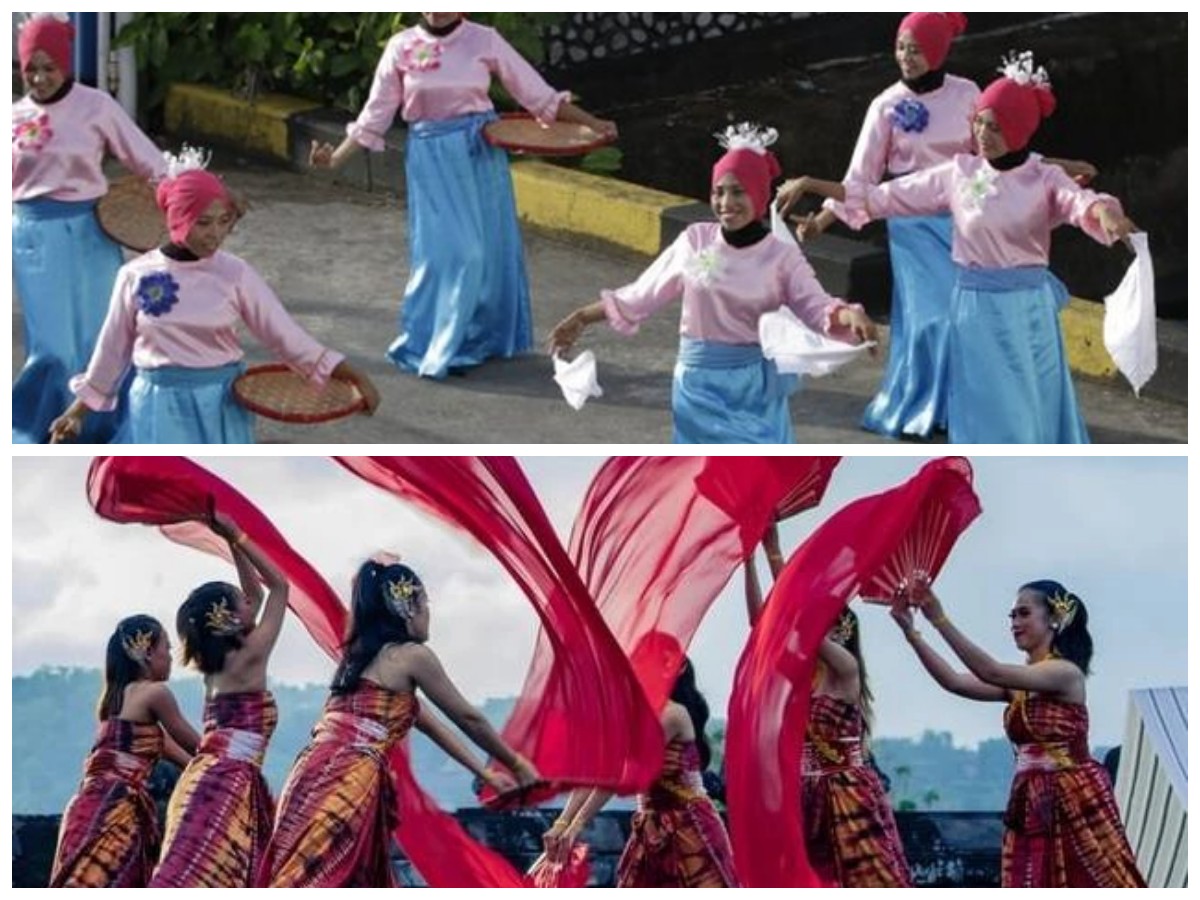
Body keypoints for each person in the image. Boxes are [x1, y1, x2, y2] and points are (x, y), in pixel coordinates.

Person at [777, 52, 1135, 444]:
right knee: (989, 405)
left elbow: (1080, 203)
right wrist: (812, 184)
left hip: (1028, 312)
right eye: (978, 122)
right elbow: (878, 196)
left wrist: (1105, 213)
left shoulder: (1044, 177)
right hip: (976, 309)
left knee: (1033, 400)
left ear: (1017, 129)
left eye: (994, 127)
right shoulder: (959, 173)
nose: (982, 134)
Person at [311, 12, 618, 381]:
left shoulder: (484, 39)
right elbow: (375, 115)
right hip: (432, 160)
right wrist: (334, 159)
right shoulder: (400, 46)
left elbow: (538, 96)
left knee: (489, 251)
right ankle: (439, 342)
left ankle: (477, 340)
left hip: (480, 154)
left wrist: (592, 123)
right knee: (455, 253)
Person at [549, 124, 878, 444]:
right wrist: (582, 317)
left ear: (758, 193)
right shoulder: (695, 240)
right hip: (696, 389)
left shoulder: (781, 256)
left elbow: (816, 307)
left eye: (738, 192)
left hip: (752, 392)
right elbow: (640, 296)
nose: (725, 203)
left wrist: (849, 315)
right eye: (718, 192)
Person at [48, 149, 380, 444]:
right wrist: (76, 413)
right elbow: (112, 349)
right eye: (203, 223)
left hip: (219, 402)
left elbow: (287, 337)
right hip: (156, 404)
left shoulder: (236, 274)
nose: (216, 234)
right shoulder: (135, 275)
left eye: (223, 221)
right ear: (177, 219)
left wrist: (352, 376)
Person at [264, 555, 541, 887]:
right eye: (425, 603)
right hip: (349, 779)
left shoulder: (360, 658)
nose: (429, 612)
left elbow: (432, 725)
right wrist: (516, 763)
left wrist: (485, 774)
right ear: (408, 608)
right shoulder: (412, 656)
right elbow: (467, 717)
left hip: (308, 774)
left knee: (303, 875)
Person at [891, 574, 1146, 887]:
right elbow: (954, 682)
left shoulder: (1065, 673)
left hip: (1072, 796)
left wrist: (938, 618)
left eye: (1024, 613)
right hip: (1032, 798)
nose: (1014, 622)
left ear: (1054, 620)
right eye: (1012, 615)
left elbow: (991, 671)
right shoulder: (1020, 683)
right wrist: (911, 632)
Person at [12, 14, 167, 444]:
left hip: (92, 234)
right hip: (33, 241)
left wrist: (191, 194)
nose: (39, 78)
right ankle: (41, 428)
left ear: (65, 63)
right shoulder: (13, 116)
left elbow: (148, 160)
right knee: (54, 346)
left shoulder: (96, 105)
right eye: (30, 68)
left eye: (49, 66)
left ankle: (104, 425)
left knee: (104, 335)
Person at [745, 524, 912, 887]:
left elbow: (800, 620)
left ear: (841, 632)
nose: (813, 629)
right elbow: (762, 626)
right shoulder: (803, 678)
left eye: (824, 624)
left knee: (869, 881)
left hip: (847, 790)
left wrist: (775, 552)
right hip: (807, 793)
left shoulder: (846, 670)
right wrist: (749, 560)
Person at [150, 511, 290, 887]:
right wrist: (239, 535)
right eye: (241, 602)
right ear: (227, 619)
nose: (250, 602)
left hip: (206, 779)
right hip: (228, 783)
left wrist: (230, 540)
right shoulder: (249, 655)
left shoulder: (215, 663)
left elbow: (258, 594)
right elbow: (279, 587)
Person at [544, 658, 738, 888]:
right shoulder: (632, 716)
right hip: (651, 827)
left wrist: (575, 827)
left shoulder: (672, 714)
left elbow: (619, 773)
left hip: (689, 828)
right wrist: (562, 823)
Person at [50, 616, 200, 887]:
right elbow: (200, 748)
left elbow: (185, 758)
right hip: (116, 811)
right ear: (148, 652)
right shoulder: (155, 693)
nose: (170, 656)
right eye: (167, 647)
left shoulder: (114, 702)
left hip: (85, 810)